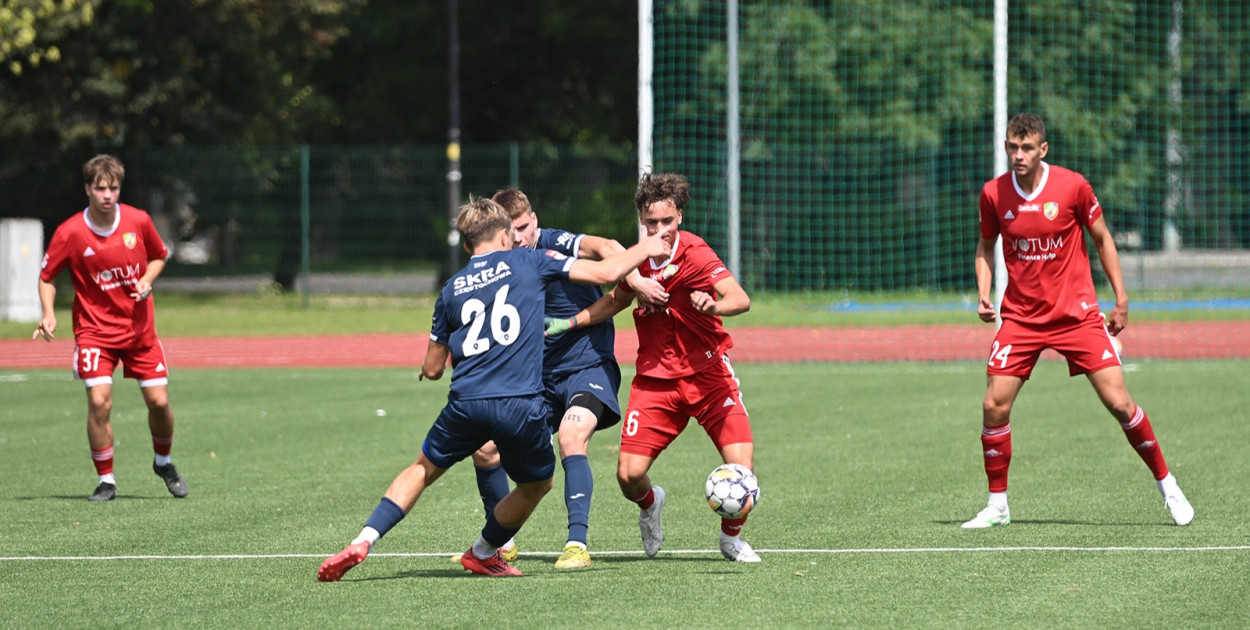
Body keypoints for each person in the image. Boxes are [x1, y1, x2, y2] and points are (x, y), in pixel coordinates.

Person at [316, 197, 671, 581]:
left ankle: (363, 540)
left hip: (465, 402)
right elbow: (610, 267)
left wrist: (425, 368)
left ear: (467, 246)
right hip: (520, 403)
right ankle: (485, 550)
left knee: (422, 468)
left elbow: (434, 368)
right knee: (538, 483)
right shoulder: (529, 261)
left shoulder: (451, 288)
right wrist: (648, 246)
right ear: (504, 235)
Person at [964, 112, 1194, 529]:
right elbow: (985, 246)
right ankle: (997, 504)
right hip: (1022, 318)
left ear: (1043, 149)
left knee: (1120, 403)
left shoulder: (1072, 186)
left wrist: (1121, 298)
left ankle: (1169, 486)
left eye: (1027, 147)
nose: (1018, 155)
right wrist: (984, 291)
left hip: (1077, 316)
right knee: (993, 405)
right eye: (1012, 147)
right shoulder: (994, 194)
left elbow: (1103, 239)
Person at [549, 171, 761, 562]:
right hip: (656, 383)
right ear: (641, 220)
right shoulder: (637, 258)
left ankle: (730, 538)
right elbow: (615, 299)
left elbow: (740, 298)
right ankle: (651, 504)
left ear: (679, 216)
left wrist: (714, 305)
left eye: (666, 221)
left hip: (710, 377)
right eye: (650, 223)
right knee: (628, 476)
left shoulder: (696, 254)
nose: (659, 230)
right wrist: (572, 321)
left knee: (741, 470)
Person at [462, 188, 669, 570]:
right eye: (513, 230)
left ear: (534, 220)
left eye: (525, 227)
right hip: (535, 379)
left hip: (586, 367)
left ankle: (577, 544)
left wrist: (636, 282)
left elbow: (608, 247)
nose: (520, 237)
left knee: (572, 437)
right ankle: (500, 542)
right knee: (485, 449)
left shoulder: (556, 243)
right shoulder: (499, 264)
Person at [33, 154, 188, 502]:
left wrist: (147, 279)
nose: (107, 194)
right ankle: (106, 481)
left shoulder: (138, 220)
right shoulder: (70, 232)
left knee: (159, 402)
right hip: (94, 332)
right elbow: (46, 278)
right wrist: (47, 313)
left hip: (139, 331)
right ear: (87, 189)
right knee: (99, 403)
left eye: (113, 188)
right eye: (100, 188)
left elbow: (159, 256)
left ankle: (163, 462)